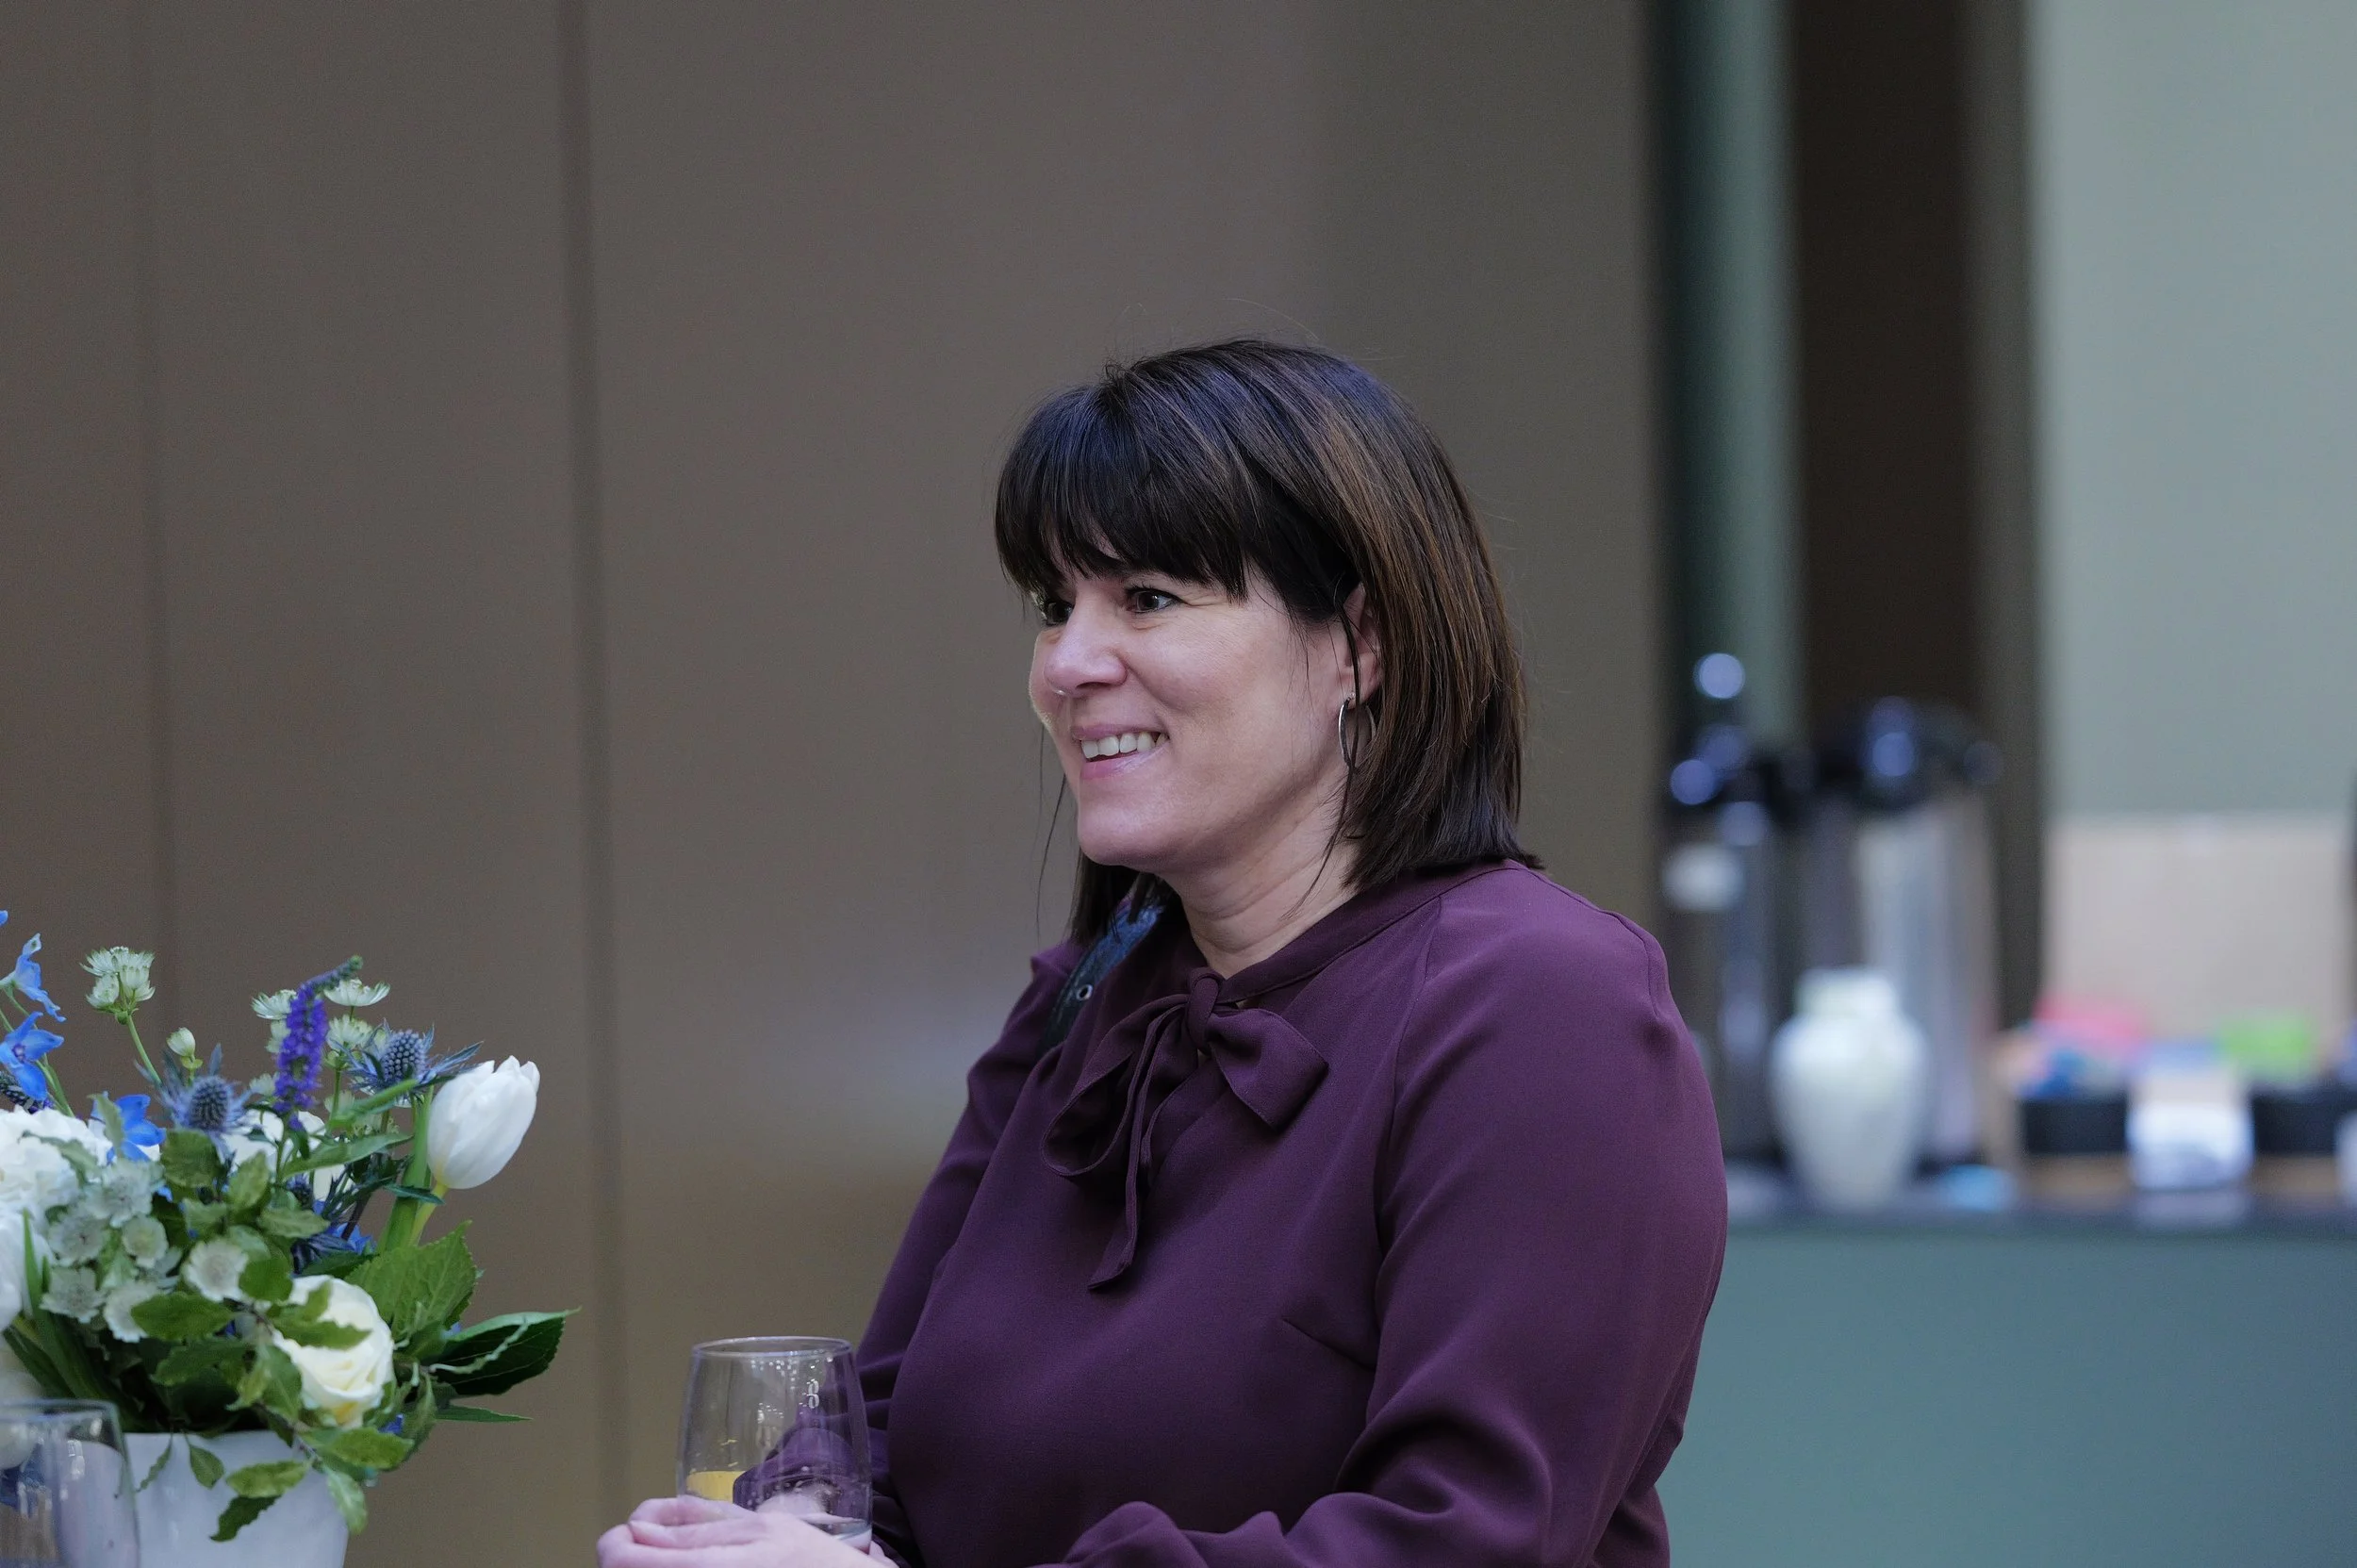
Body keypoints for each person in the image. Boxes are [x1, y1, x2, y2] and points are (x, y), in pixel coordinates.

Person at [598, 340, 1725, 1568]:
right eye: (1054, 606)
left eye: (1146, 597)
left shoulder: (1546, 1006)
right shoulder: (1080, 1000)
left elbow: (1465, 1541)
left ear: (1361, 643)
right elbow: (882, 1446)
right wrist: (761, 1535)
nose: (1067, 665)